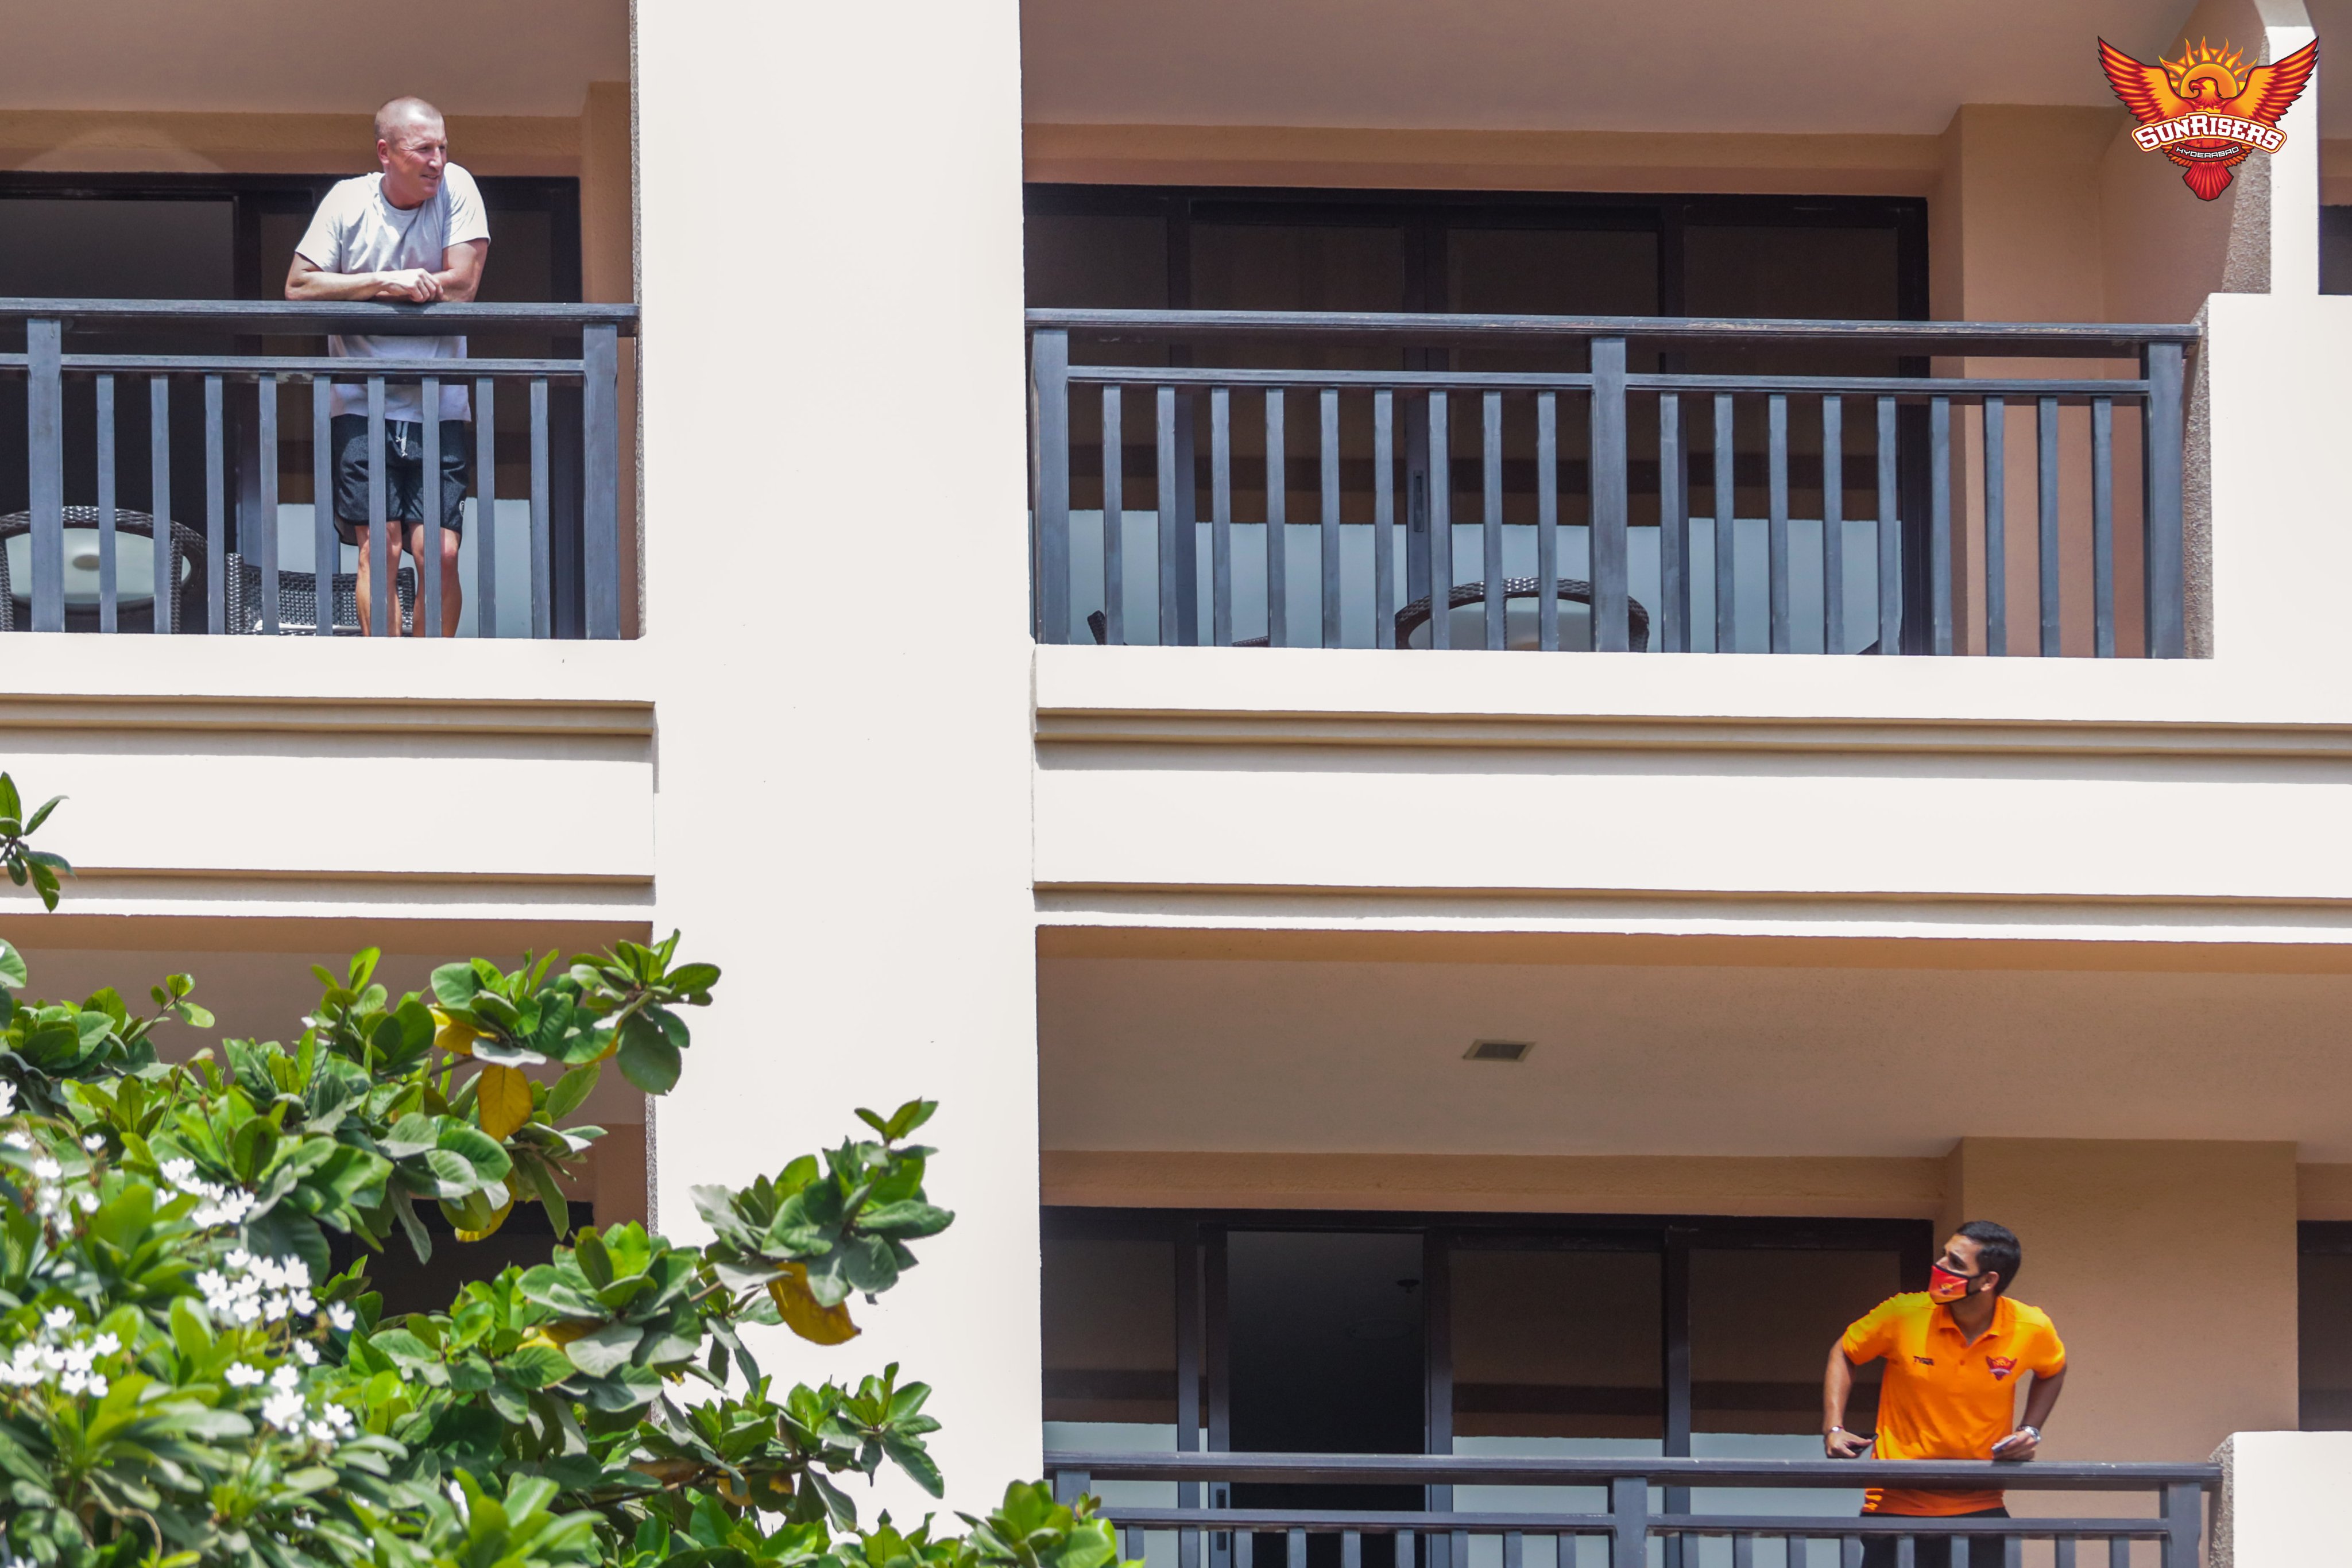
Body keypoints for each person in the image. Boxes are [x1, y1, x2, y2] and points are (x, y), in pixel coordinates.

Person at [285, 96, 490, 636]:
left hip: (438, 401)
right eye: (424, 149)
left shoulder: (457, 187)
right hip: (361, 402)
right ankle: (387, 675)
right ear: (386, 152)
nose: (438, 161)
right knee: (382, 544)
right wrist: (385, 281)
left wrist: (402, 284)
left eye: (443, 148)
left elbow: (463, 283)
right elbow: (299, 286)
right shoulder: (347, 201)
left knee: (440, 551)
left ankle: (431, 676)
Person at [1821, 1222, 2068, 1568]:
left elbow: (2053, 1370)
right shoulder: (1903, 1313)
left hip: (1980, 1506)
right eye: (1943, 1255)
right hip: (1894, 1506)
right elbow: (1846, 1351)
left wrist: (2030, 1430)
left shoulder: (2031, 1326)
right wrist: (1833, 1427)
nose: (1940, 1267)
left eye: (1955, 1263)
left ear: (1988, 1281)